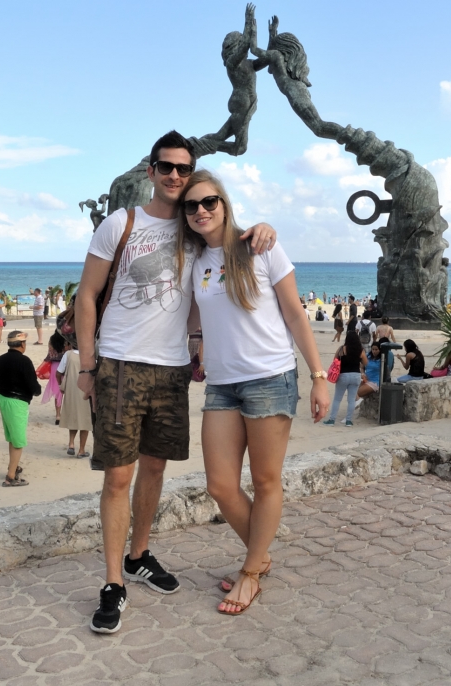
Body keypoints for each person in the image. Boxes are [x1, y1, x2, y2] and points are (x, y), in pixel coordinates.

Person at [75, 131, 276, 634]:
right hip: (120, 363)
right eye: (166, 167)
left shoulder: (193, 227)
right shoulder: (120, 223)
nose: (174, 176)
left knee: (155, 470)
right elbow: (86, 295)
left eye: (183, 169)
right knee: (118, 477)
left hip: (171, 370)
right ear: (151, 171)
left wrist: (263, 229)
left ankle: (139, 555)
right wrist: (86, 364)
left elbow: (228, 235)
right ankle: (112, 582)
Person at [179, 170, 329, 615]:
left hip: (270, 378)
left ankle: (249, 574)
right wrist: (196, 346)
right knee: (221, 486)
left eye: (209, 202)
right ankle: (259, 556)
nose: (201, 210)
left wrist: (319, 375)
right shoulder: (195, 262)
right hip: (223, 384)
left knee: (265, 481)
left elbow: (295, 314)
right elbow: (193, 319)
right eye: (192, 206)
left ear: (224, 203)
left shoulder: (259, 246)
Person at [0, 331, 41, 487]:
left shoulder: (0, 359)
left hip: (2, 398)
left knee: (12, 437)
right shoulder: (24, 361)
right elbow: (33, 386)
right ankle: (11, 476)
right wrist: (37, 391)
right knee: (18, 440)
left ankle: (13, 466)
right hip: (17, 402)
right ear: (22, 344)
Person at [324, 328, 368, 426]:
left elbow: (335, 360)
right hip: (356, 375)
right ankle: (348, 421)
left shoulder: (341, 349)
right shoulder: (360, 350)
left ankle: (332, 420)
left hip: (343, 375)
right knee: (351, 399)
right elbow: (365, 363)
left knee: (337, 399)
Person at [57, 339, 93, 457]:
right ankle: (81, 450)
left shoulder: (68, 355)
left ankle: (71, 444)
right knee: (85, 420)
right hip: (86, 390)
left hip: (71, 389)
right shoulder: (91, 355)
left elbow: (59, 372)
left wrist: (60, 384)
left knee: (73, 417)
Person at [41, 332, 66, 425]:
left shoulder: (52, 339)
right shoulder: (67, 338)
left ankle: (58, 415)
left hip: (55, 366)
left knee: (58, 392)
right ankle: (66, 414)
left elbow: (49, 355)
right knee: (68, 391)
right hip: (66, 365)